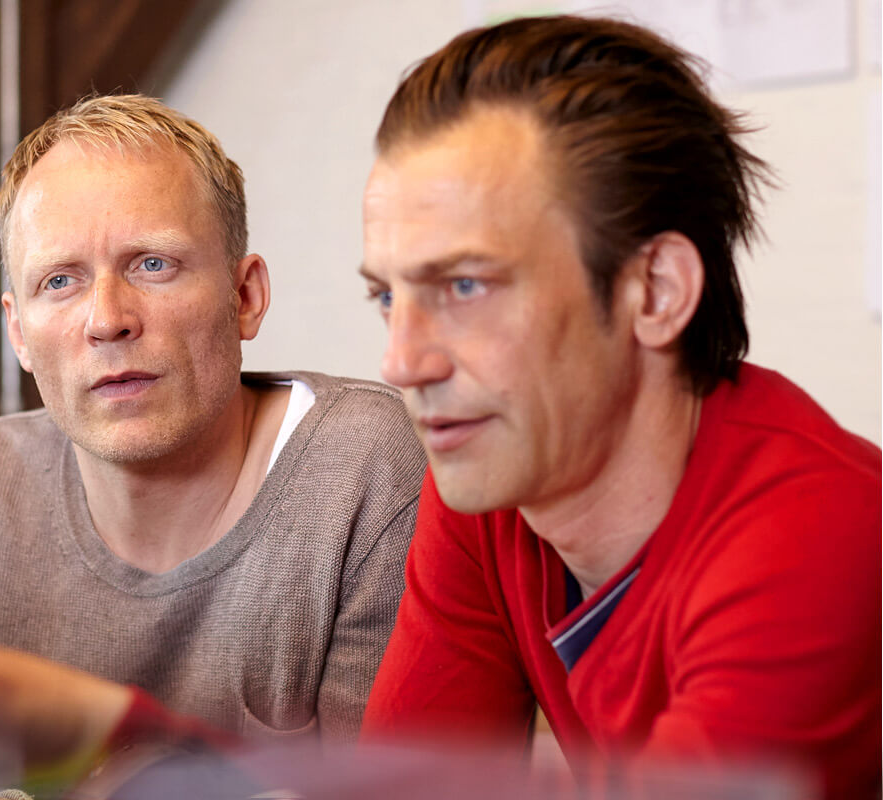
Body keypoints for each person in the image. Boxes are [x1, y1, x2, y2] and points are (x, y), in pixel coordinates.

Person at [356, 14, 881, 798]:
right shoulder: (495, 476)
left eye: (465, 286)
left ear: (655, 291)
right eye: (387, 297)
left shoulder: (822, 532)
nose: (401, 363)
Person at [0, 94, 425, 749]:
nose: (108, 320)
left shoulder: (368, 472)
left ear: (245, 297)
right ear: (18, 333)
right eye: (60, 282)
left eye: (153, 264)